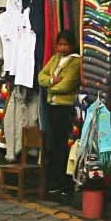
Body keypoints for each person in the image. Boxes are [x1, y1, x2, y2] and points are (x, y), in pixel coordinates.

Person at [36, 30, 81, 196]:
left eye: (65, 44)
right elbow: (41, 76)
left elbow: (67, 85)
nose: (62, 48)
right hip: (51, 106)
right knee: (53, 144)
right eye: (60, 44)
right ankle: (54, 182)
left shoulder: (75, 62)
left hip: (64, 108)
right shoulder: (55, 58)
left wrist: (50, 87)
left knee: (63, 145)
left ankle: (64, 184)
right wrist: (51, 81)